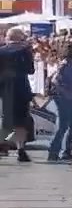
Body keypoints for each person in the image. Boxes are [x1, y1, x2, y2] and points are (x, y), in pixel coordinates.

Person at [1, 28, 35, 162]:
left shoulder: (1, 51)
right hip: (21, 88)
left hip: (4, 88)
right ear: (20, 38)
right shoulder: (24, 51)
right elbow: (30, 70)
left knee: (5, 118)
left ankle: (3, 145)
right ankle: (21, 149)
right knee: (21, 121)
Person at [48, 42, 72, 163]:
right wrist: (65, 92)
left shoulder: (70, 63)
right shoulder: (66, 64)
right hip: (62, 97)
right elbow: (55, 80)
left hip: (68, 97)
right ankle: (53, 151)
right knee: (63, 125)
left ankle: (66, 151)